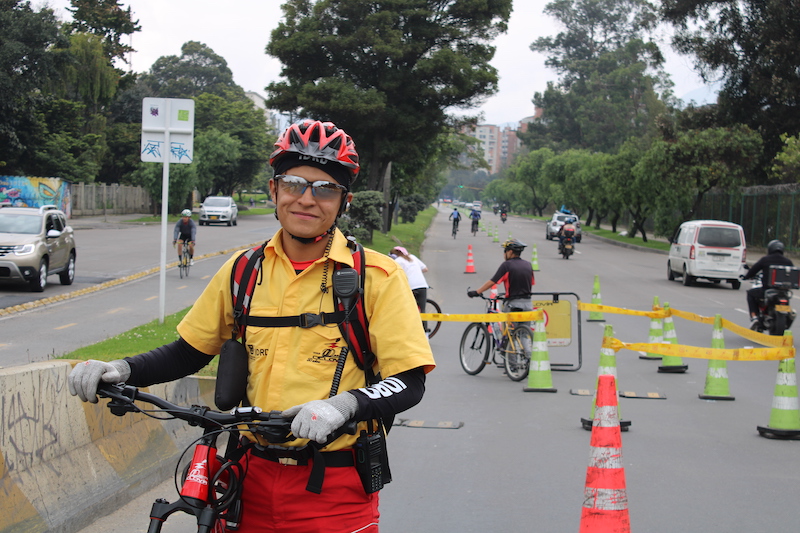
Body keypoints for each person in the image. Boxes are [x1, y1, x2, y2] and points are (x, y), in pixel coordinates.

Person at [68, 119, 436, 532]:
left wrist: (342, 405)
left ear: (343, 202)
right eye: (294, 183)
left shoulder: (377, 276)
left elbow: (409, 381)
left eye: (325, 188)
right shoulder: (243, 271)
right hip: (245, 479)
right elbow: (190, 350)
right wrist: (122, 369)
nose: (307, 200)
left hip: (336, 490)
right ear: (273, 190)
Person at [467, 238, 535, 337]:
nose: (504, 254)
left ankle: (509, 351)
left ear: (510, 252)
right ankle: (527, 353)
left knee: (510, 335)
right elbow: (530, 282)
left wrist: (477, 292)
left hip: (513, 305)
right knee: (523, 335)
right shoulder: (528, 265)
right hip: (528, 304)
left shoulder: (507, 265)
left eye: (505, 251)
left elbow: (492, 281)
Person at [741, 239, 794, 324]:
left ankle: (754, 317)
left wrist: (746, 276)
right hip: (783, 292)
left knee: (750, 293)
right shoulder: (788, 261)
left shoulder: (765, 259)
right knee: (786, 299)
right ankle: (789, 313)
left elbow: (754, 270)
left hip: (767, 290)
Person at [391, 245, 430, 331]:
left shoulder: (398, 261)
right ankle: (425, 331)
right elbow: (425, 269)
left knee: (407, 308)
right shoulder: (413, 257)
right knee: (422, 310)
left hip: (410, 286)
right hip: (422, 285)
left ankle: (408, 330)